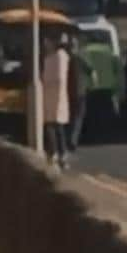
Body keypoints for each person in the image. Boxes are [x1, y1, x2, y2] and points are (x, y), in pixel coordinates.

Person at [42, 34, 71, 169]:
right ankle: (53, 153)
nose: (45, 45)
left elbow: (59, 77)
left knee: (57, 126)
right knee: (50, 125)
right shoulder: (49, 57)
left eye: (47, 42)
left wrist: (46, 82)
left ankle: (61, 154)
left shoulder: (60, 56)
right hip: (49, 95)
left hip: (57, 94)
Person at [66, 35, 95, 151]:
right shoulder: (80, 57)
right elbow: (92, 71)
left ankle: (68, 139)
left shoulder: (66, 58)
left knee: (70, 117)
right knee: (78, 117)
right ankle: (73, 140)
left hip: (69, 92)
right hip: (81, 91)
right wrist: (93, 84)